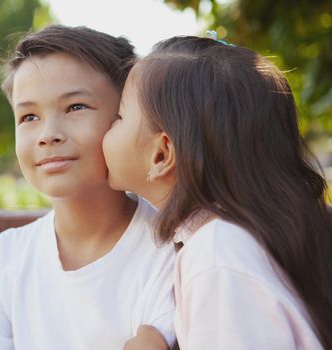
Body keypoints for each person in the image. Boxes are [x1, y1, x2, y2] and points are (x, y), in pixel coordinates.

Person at [103, 35, 332, 349]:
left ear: (161, 154)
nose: (106, 129)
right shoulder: (239, 238)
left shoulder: (216, 256)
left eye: (119, 116)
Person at [0, 25, 176, 350]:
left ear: (125, 118)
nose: (48, 134)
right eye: (29, 117)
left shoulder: (168, 253)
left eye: (75, 107)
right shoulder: (2, 262)